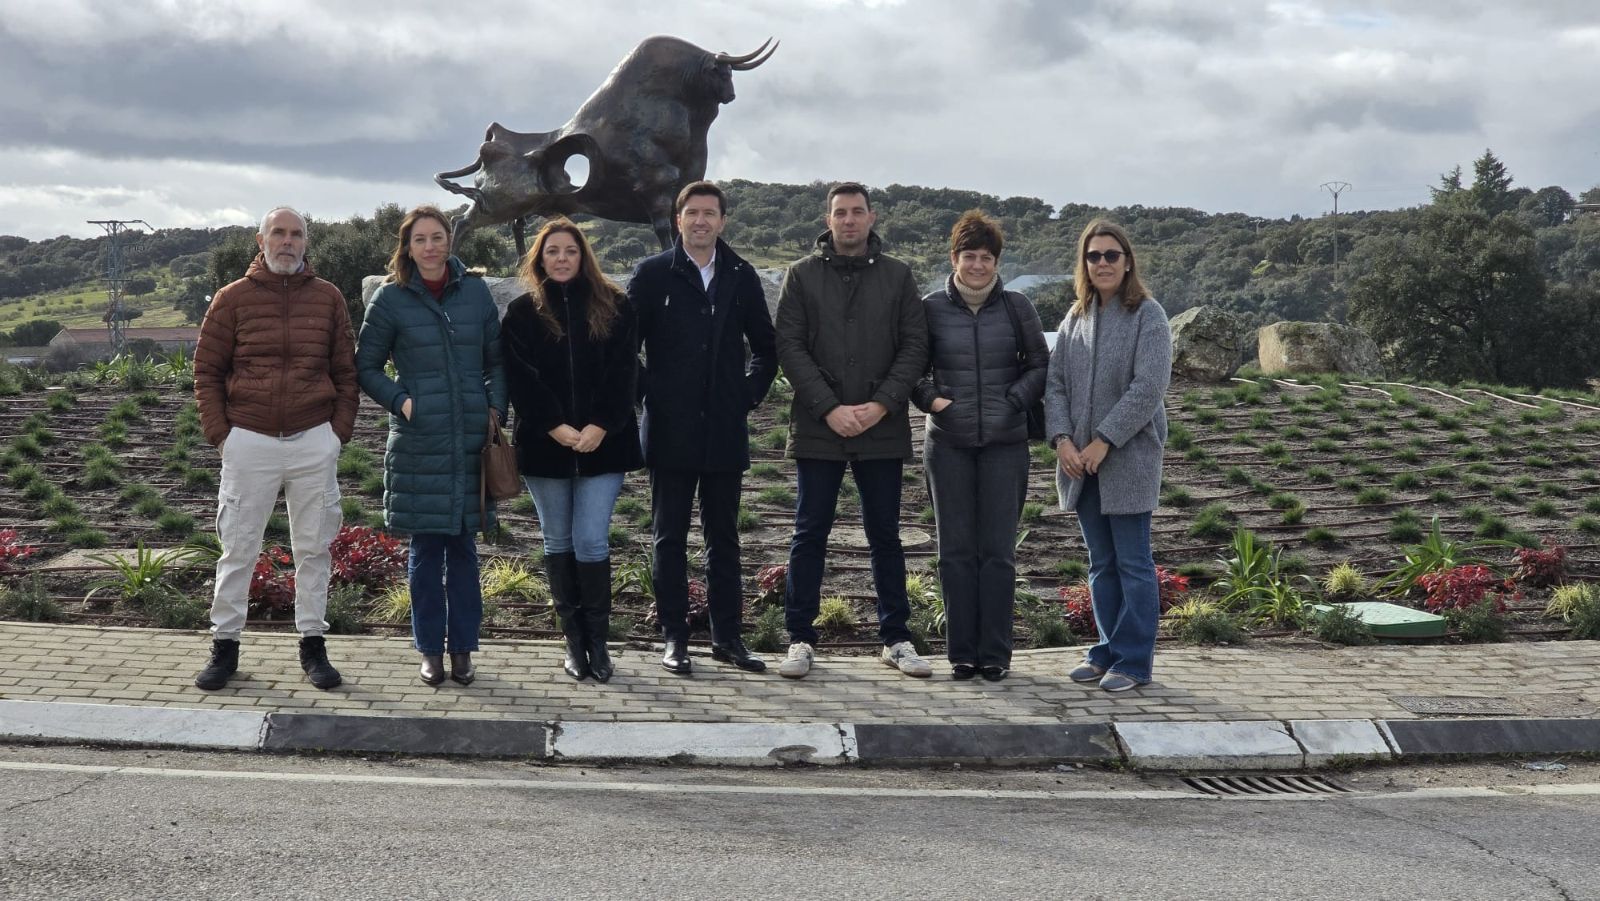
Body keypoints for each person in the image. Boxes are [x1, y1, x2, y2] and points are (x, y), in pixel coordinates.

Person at [192, 206, 358, 692]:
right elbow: (206, 372)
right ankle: (224, 648)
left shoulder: (328, 299)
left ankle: (312, 647)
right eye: (278, 233)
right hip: (249, 440)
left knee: (314, 548)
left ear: (307, 242)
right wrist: (223, 436)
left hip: (313, 441)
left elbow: (346, 374)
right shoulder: (232, 299)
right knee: (238, 548)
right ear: (260, 241)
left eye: (297, 234)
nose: (287, 241)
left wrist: (336, 435)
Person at [773, 182, 930, 679]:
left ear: (872, 218)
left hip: (880, 428)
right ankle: (799, 637)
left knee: (885, 534)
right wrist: (829, 407)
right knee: (809, 532)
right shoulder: (800, 276)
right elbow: (790, 348)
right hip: (820, 426)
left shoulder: (899, 276)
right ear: (828, 218)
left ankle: (896, 639)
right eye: (840, 212)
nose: (848, 220)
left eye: (857, 212)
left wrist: (882, 404)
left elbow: (914, 347)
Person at [629, 181, 778, 675]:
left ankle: (727, 638)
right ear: (678, 220)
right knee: (667, 538)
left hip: (722, 430)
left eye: (709, 213)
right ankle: (674, 638)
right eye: (691, 213)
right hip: (669, 430)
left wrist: (746, 395)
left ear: (722, 221)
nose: (700, 221)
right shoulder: (651, 274)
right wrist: (652, 393)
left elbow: (766, 347)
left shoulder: (740, 274)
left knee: (724, 539)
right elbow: (626, 350)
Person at [355, 205, 507, 688]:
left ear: (449, 241)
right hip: (419, 443)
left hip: (469, 444)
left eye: (437, 236)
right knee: (424, 555)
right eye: (420, 239)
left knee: (463, 550)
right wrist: (403, 402)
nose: (430, 246)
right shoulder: (391, 298)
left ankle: (462, 650)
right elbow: (366, 367)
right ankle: (429, 651)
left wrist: (494, 410)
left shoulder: (476, 292)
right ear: (408, 246)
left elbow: (497, 362)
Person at [502, 218, 642, 683]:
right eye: (552, 251)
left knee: (591, 539)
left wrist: (600, 425)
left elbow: (625, 373)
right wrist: (555, 427)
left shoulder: (616, 306)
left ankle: (598, 643)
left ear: (584, 256)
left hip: (606, 444)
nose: (561, 258)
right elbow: (521, 378)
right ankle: (573, 643)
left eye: (570, 250)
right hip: (547, 448)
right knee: (557, 540)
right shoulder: (522, 313)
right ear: (539, 258)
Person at [912, 211, 1048, 682]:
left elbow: (1039, 364)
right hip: (946, 443)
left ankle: (995, 655)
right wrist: (934, 401)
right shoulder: (929, 307)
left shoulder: (1017, 307)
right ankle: (961, 656)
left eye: (985, 257)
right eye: (969, 256)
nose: (977, 265)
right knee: (954, 552)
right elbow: (911, 369)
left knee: (998, 553)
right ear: (954, 258)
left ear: (996, 262)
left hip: (1005, 445)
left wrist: (1013, 399)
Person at [1044, 219, 1172, 693]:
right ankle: (1105, 651)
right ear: (1084, 263)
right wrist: (1061, 440)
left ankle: (1134, 661)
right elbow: (1054, 385)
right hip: (1080, 463)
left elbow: (1149, 387)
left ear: (1127, 261)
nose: (1102, 263)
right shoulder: (1074, 318)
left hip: (1128, 460)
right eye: (1093, 256)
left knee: (1134, 562)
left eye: (1111, 255)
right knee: (1100, 563)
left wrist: (1104, 440)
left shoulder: (1148, 315)